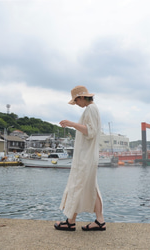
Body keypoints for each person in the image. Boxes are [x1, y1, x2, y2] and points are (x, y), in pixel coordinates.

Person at [54, 85, 106, 231]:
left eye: (76, 101)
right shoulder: (93, 109)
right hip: (90, 156)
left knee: (77, 185)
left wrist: (71, 124)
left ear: (82, 97)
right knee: (90, 187)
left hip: (85, 157)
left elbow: (90, 131)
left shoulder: (90, 109)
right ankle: (100, 221)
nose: (76, 104)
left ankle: (70, 222)